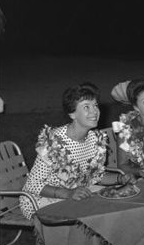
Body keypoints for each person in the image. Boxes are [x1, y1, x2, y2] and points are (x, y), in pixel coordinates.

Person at [19, 82, 132, 220]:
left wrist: (120, 178)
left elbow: (96, 176)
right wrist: (67, 193)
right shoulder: (54, 142)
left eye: (95, 105)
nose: (94, 111)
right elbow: (33, 185)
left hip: (78, 193)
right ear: (72, 114)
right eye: (86, 107)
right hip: (41, 199)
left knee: (116, 204)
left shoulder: (96, 139)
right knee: (96, 212)